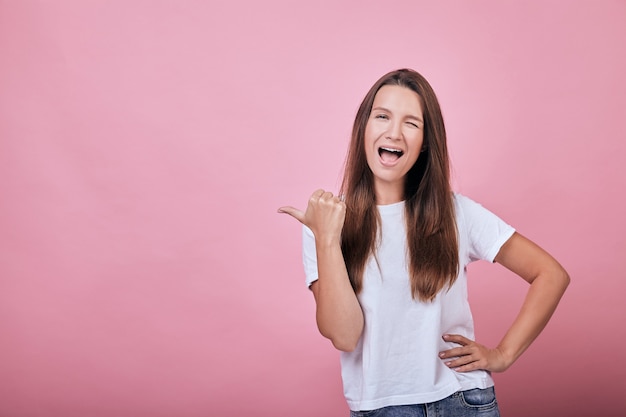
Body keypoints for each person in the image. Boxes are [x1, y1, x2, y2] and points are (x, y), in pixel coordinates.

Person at [278, 68, 569, 417]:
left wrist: (503, 354)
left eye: (411, 123)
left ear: (425, 141)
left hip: (462, 401)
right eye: (382, 116)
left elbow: (550, 274)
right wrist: (327, 238)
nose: (394, 133)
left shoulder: (456, 213)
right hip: (380, 408)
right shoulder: (324, 223)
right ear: (364, 129)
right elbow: (344, 336)